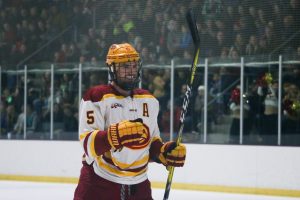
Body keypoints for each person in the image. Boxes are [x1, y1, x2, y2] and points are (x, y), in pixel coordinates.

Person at [73, 43, 186, 200]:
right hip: (100, 183)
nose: (131, 71)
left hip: (138, 187)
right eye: (125, 66)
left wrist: (163, 153)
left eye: (134, 66)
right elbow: (87, 143)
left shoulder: (149, 100)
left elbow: (151, 141)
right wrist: (114, 136)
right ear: (112, 69)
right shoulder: (97, 97)